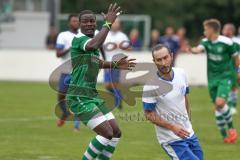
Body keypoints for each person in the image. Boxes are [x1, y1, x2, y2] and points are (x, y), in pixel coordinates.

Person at [66, 4, 136, 160]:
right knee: (106, 133)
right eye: (85, 22)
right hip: (79, 96)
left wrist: (115, 64)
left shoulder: (92, 40)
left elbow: (97, 62)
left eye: (92, 21)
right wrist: (108, 23)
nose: (89, 24)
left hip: (92, 95)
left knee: (116, 133)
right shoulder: (80, 40)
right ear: (79, 24)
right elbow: (93, 46)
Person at [142, 44, 203, 160]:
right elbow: (148, 114)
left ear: (172, 56)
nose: (164, 63)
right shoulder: (151, 84)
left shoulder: (181, 73)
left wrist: (187, 119)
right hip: (171, 139)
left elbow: (184, 96)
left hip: (189, 132)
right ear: (154, 61)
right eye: (159, 60)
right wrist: (172, 127)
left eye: (165, 58)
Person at [189, 19, 239, 143]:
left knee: (220, 102)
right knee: (217, 107)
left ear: (212, 30)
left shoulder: (227, 42)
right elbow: (199, 49)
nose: (204, 31)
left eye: (205, 29)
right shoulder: (205, 42)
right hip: (212, 79)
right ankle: (225, 137)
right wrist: (192, 50)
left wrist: (237, 72)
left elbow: (236, 58)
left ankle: (232, 129)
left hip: (225, 77)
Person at [55, 14, 80, 132]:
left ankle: (76, 126)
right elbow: (58, 53)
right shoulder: (63, 35)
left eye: (77, 21)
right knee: (61, 96)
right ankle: (65, 113)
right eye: (73, 21)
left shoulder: (83, 36)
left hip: (79, 71)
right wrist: (70, 48)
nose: (75, 23)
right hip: (65, 71)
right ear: (69, 23)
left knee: (77, 98)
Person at [103, 18, 129, 109]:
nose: (116, 24)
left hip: (117, 63)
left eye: (117, 23)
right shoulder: (105, 34)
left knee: (114, 84)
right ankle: (118, 98)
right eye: (114, 23)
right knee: (107, 85)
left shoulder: (122, 36)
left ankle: (117, 102)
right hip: (106, 63)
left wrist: (119, 46)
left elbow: (129, 48)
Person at [222, 23, 240, 115]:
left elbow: (238, 58)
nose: (223, 30)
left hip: (233, 69)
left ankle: (232, 106)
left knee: (233, 88)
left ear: (230, 31)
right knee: (225, 87)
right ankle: (227, 105)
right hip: (223, 69)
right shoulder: (221, 41)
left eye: (225, 29)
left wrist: (238, 71)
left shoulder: (236, 42)